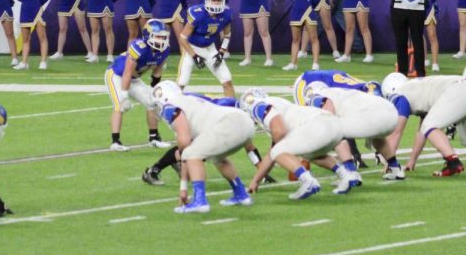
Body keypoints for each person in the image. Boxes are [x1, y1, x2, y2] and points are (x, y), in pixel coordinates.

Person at [382, 71, 466, 176]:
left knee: (430, 126)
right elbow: (421, 132)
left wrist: (390, 162)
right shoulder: (418, 90)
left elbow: (397, 132)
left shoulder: (399, 94)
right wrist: (412, 161)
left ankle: (453, 162)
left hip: (460, 90)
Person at [152, 81, 255, 213]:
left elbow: (184, 142)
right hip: (244, 121)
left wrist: (183, 187)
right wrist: (183, 186)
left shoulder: (169, 106)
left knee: (191, 153)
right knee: (217, 157)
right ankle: (241, 194)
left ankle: (200, 201)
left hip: (228, 123)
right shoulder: (190, 97)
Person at [240, 88, 344, 200]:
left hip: (316, 126)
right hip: (331, 124)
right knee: (307, 153)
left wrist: (256, 180)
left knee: (278, 151)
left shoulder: (258, 106)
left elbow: (279, 135)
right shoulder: (278, 102)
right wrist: (255, 181)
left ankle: (307, 181)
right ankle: (346, 174)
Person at [300, 79, 399, 190]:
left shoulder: (316, 96)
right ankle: (395, 168)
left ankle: (350, 173)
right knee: (377, 135)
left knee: (334, 129)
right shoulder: (338, 91)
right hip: (390, 111)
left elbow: (327, 107)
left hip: (370, 113)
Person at [106, 19, 171, 152]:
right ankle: (115, 142)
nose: (161, 40)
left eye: (163, 37)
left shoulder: (164, 50)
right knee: (120, 105)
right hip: (117, 75)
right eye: (158, 36)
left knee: (152, 102)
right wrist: (124, 95)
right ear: (148, 35)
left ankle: (154, 138)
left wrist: (154, 89)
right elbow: (127, 72)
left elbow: (157, 71)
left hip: (134, 79)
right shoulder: (138, 47)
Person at [177, 0, 235, 99]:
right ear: (207, 0)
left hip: (210, 48)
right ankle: (171, 108)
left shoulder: (226, 14)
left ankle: (232, 110)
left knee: (227, 80)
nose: (217, 3)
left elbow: (227, 35)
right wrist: (194, 56)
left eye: (219, 0)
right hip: (192, 48)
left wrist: (222, 52)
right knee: (181, 82)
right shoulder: (197, 14)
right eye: (214, 0)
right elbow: (183, 38)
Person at [283, 0, 324, 72]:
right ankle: (293, 63)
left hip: (309, 11)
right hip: (296, 12)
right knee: (295, 39)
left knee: (314, 38)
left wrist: (311, 6)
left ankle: (316, 63)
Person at [14, 0, 49, 71]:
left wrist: (37, 3)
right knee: (25, 39)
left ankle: (43, 61)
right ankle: (24, 63)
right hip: (25, 11)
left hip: (37, 11)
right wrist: (27, 2)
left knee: (42, 37)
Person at [422, 0, 440, 72]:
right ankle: (424, 59)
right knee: (418, 35)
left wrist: (428, 1)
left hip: (428, 9)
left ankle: (435, 63)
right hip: (416, 8)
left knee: (432, 35)